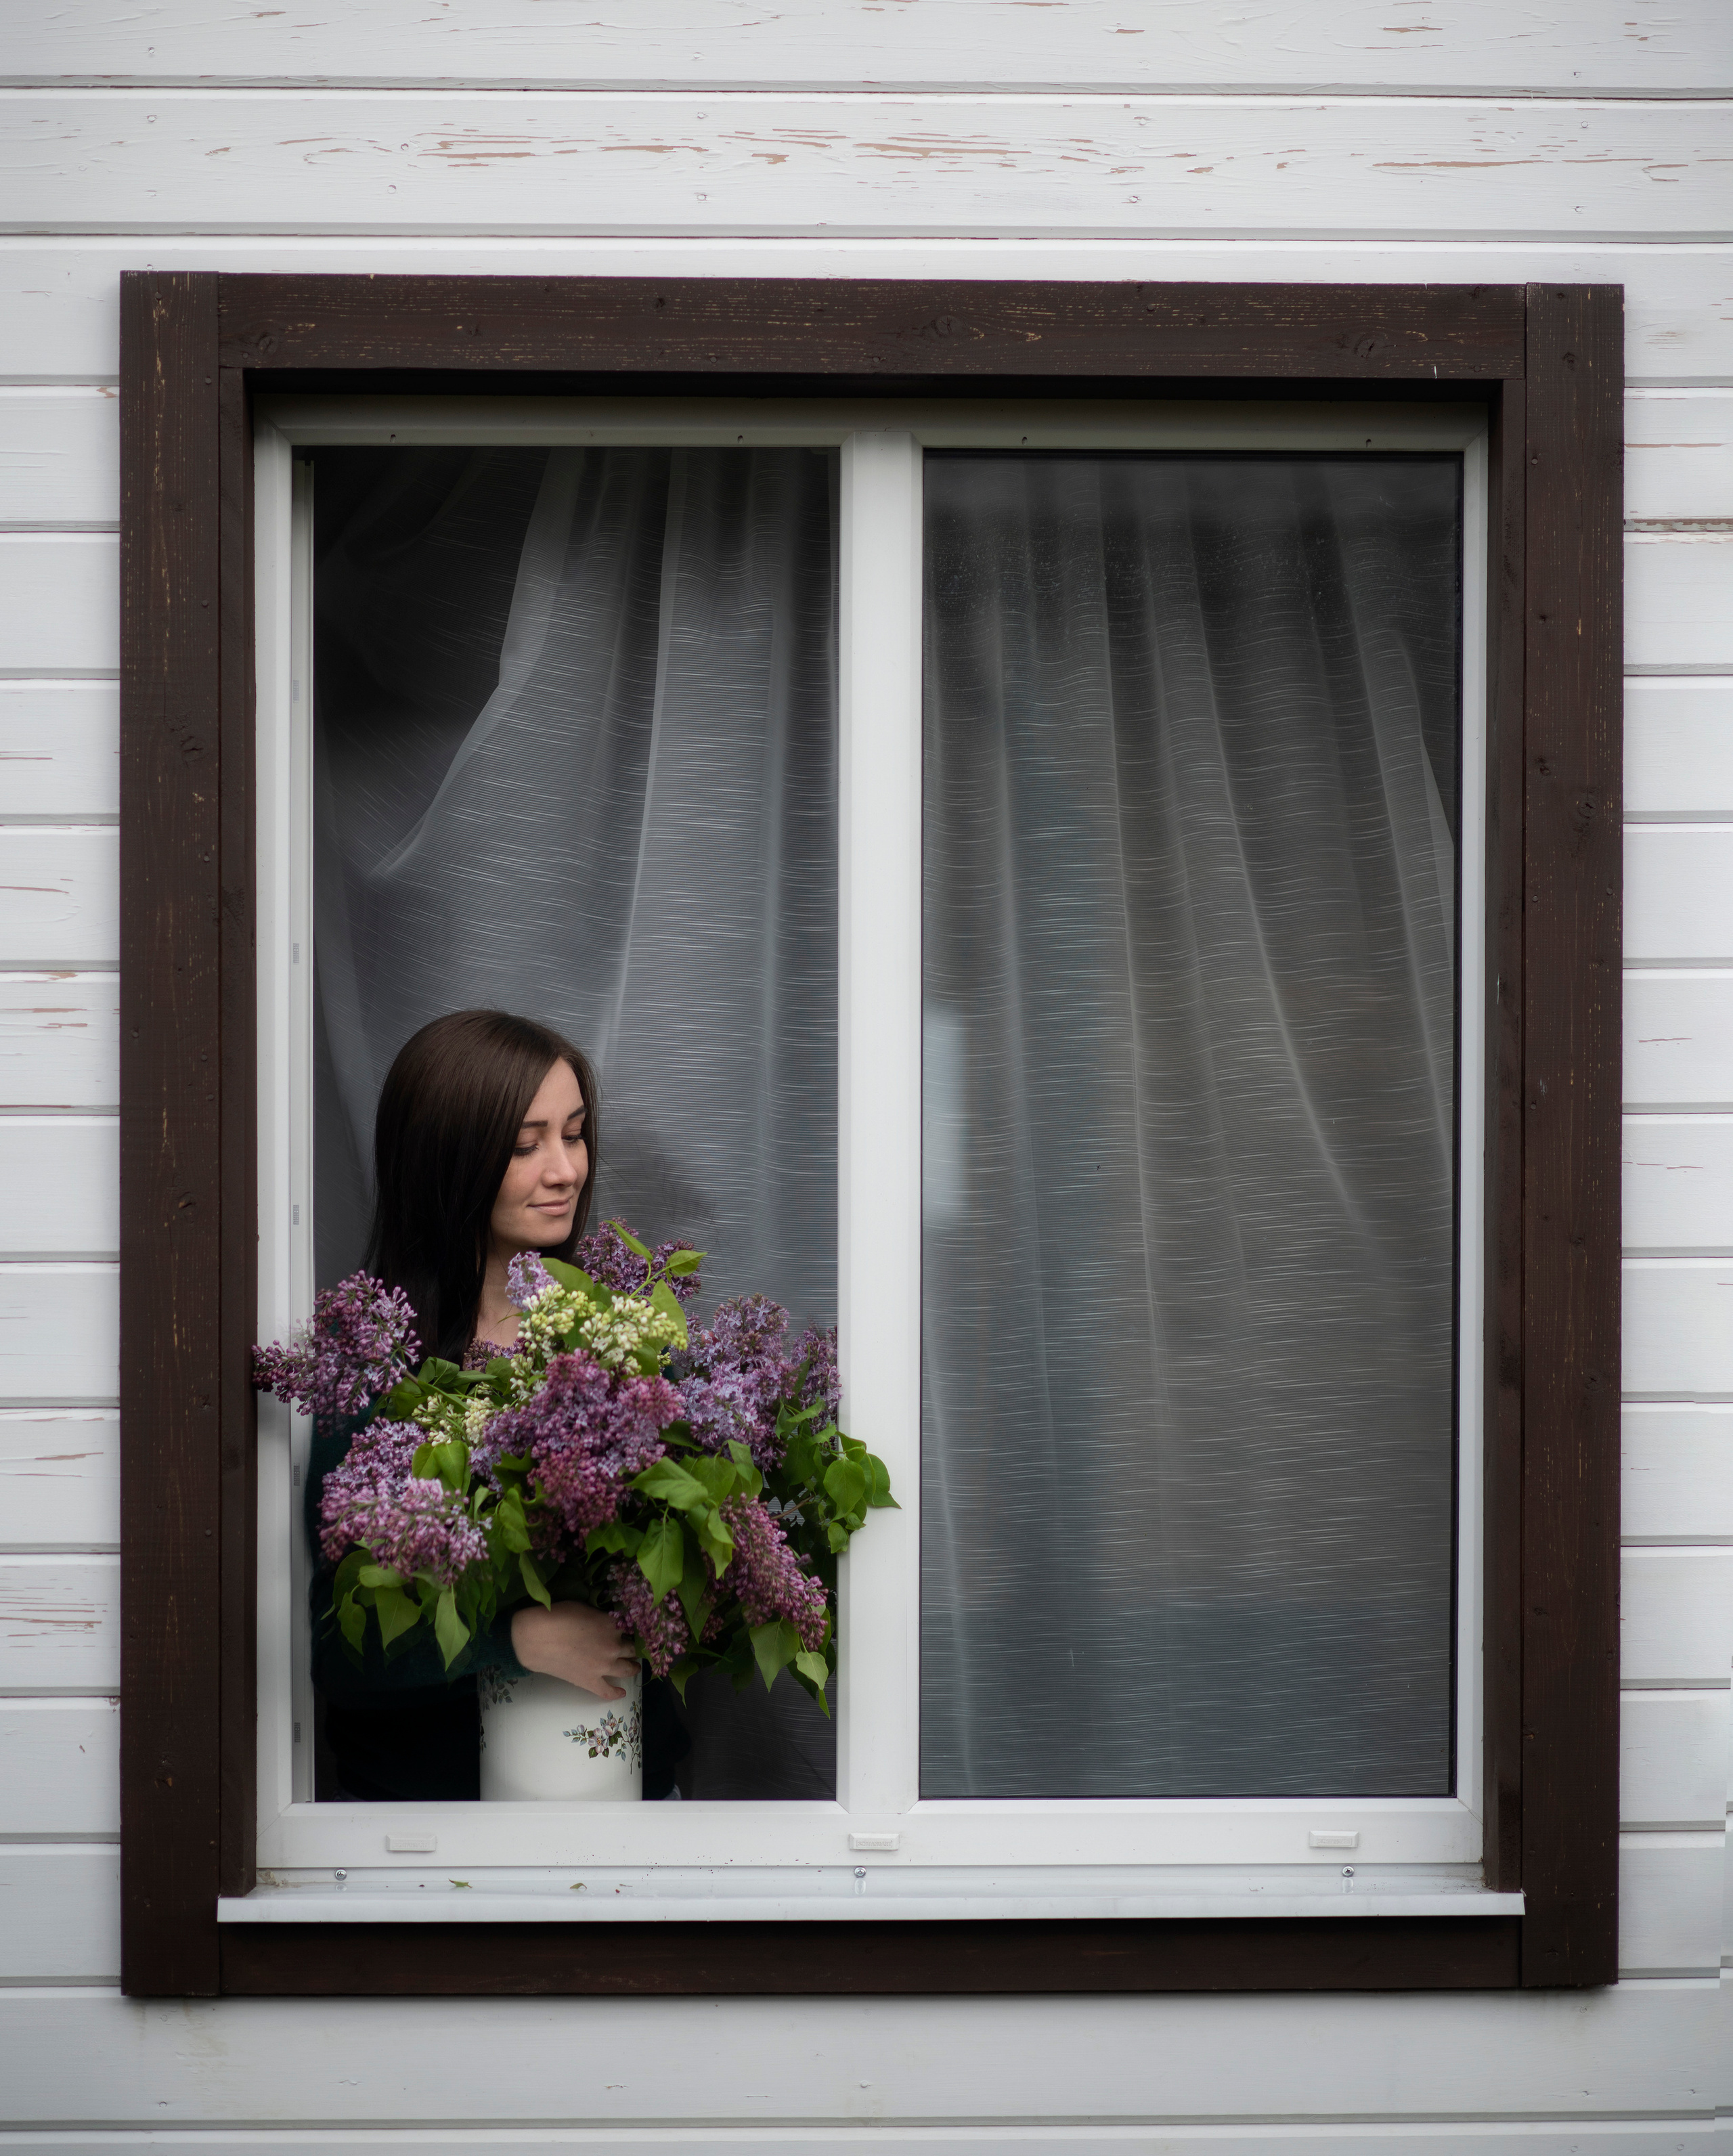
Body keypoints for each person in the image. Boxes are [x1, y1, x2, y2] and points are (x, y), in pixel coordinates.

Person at [307, 1008, 686, 1801]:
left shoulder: (619, 1337)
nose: (565, 1170)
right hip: (430, 1839)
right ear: (446, 1159)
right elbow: (336, 1651)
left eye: (574, 1134)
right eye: (525, 1144)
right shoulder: (378, 1367)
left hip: (624, 1816)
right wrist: (514, 1637)